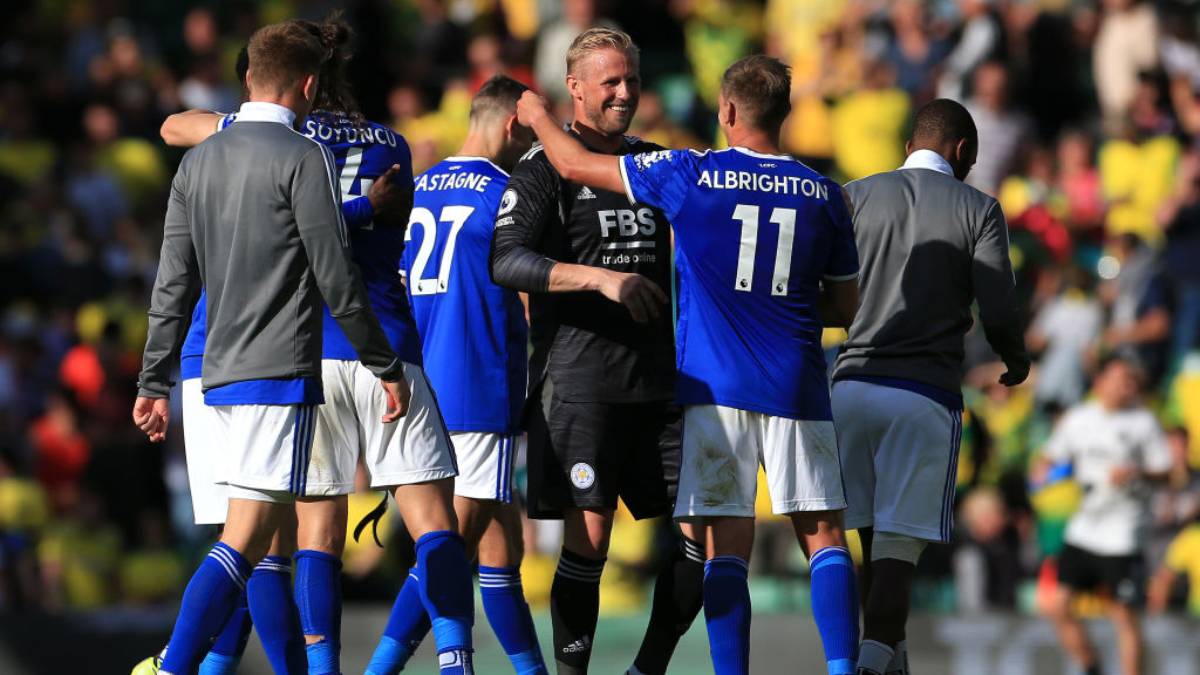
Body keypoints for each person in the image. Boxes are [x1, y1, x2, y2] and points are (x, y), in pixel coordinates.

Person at [147, 19, 478, 675]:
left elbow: (174, 133)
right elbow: (339, 252)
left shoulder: (249, 145)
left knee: (279, 539)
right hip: (360, 342)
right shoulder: (384, 146)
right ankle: (451, 661)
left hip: (262, 353)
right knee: (432, 519)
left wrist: (148, 380)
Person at [514, 54, 862, 675]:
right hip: (797, 385)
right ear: (788, 113)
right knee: (825, 538)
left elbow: (570, 164)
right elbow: (844, 305)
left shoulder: (692, 174)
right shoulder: (826, 194)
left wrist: (539, 112)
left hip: (714, 388)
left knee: (726, 546)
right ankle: (841, 669)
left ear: (726, 112)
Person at [489, 27, 704, 675]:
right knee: (591, 539)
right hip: (581, 381)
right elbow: (506, 259)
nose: (624, 92)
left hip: (663, 384)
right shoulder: (541, 169)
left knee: (703, 538)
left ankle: (648, 669)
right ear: (575, 89)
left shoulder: (654, 161)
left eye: (632, 80)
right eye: (610, 81)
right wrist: (600, 278)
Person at [830, 98, 1029, 675]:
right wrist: (1014, 360)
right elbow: (998, 304)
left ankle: (888, 661)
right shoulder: (979, 207)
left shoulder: (855, 195)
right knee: (896, 554)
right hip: (923, 394)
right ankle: (868, 665)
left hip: (850, 387)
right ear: (963, 151)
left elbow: (821, 287)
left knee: (867, 547)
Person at [362, 75, 547, 675]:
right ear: (512, 125)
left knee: (500, 548)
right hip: (477, 380)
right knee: (453, 544)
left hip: (418, 374)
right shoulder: (508, 194)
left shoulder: (419, 183)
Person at [1036, 356, 1171, 675]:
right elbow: (1051, 457)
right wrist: (1046, 472)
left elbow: (1166, 472)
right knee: (1058, 605)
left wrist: (1136, 472)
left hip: (1123, 533)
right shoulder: (1079, 418)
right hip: (1084, 527)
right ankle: (1091, 666)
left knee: (1123, 614)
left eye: (1132, 380)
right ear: (1101, 382)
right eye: (1123, 378)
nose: (1129, 385)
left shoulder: (1144, 422)